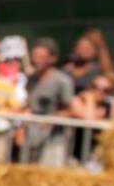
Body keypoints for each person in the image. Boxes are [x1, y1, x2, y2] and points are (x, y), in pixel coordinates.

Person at [24, 37, 76, 166]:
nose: (36, 60)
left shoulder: (62, 81)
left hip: (54, 140)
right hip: (32, 138)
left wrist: (50, 119)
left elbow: (71, 110)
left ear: (52, 58)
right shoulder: (31, 79)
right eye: (34, 55)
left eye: (41, 56)